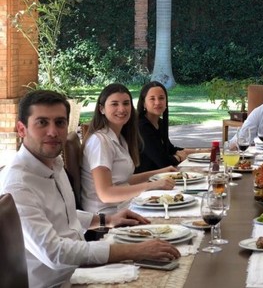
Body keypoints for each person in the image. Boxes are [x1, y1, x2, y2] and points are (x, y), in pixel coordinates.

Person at [0, 90, 180, 288]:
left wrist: (107, 220)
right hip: (60, 281)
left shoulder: (52, 162)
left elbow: (62, 213)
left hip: (79, 271)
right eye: (42, 122)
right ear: (21, 129)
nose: (53, 131)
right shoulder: (18, 184)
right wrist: (133, 250)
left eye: (59, 123)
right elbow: (55, 253)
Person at [81, 83, 177, 214]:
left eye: (126, 103)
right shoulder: (100, 142)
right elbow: (106, 194)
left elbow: (123, 180)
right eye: (114, 104)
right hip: (108, 216)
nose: (122, 109)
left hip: (126, 206)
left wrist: (161, 173)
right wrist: (152, 185)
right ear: (101, 109)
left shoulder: (119, 138)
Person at [135, 81, 200, 173]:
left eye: (161, 98)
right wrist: (178, 157)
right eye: (152, 99)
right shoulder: (142, 126)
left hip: (159, 177)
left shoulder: (160, 123)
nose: (157, 102)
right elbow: (163, 162)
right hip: (144, 181)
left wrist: (201, 151)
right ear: (144, 103)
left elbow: (171, 149)